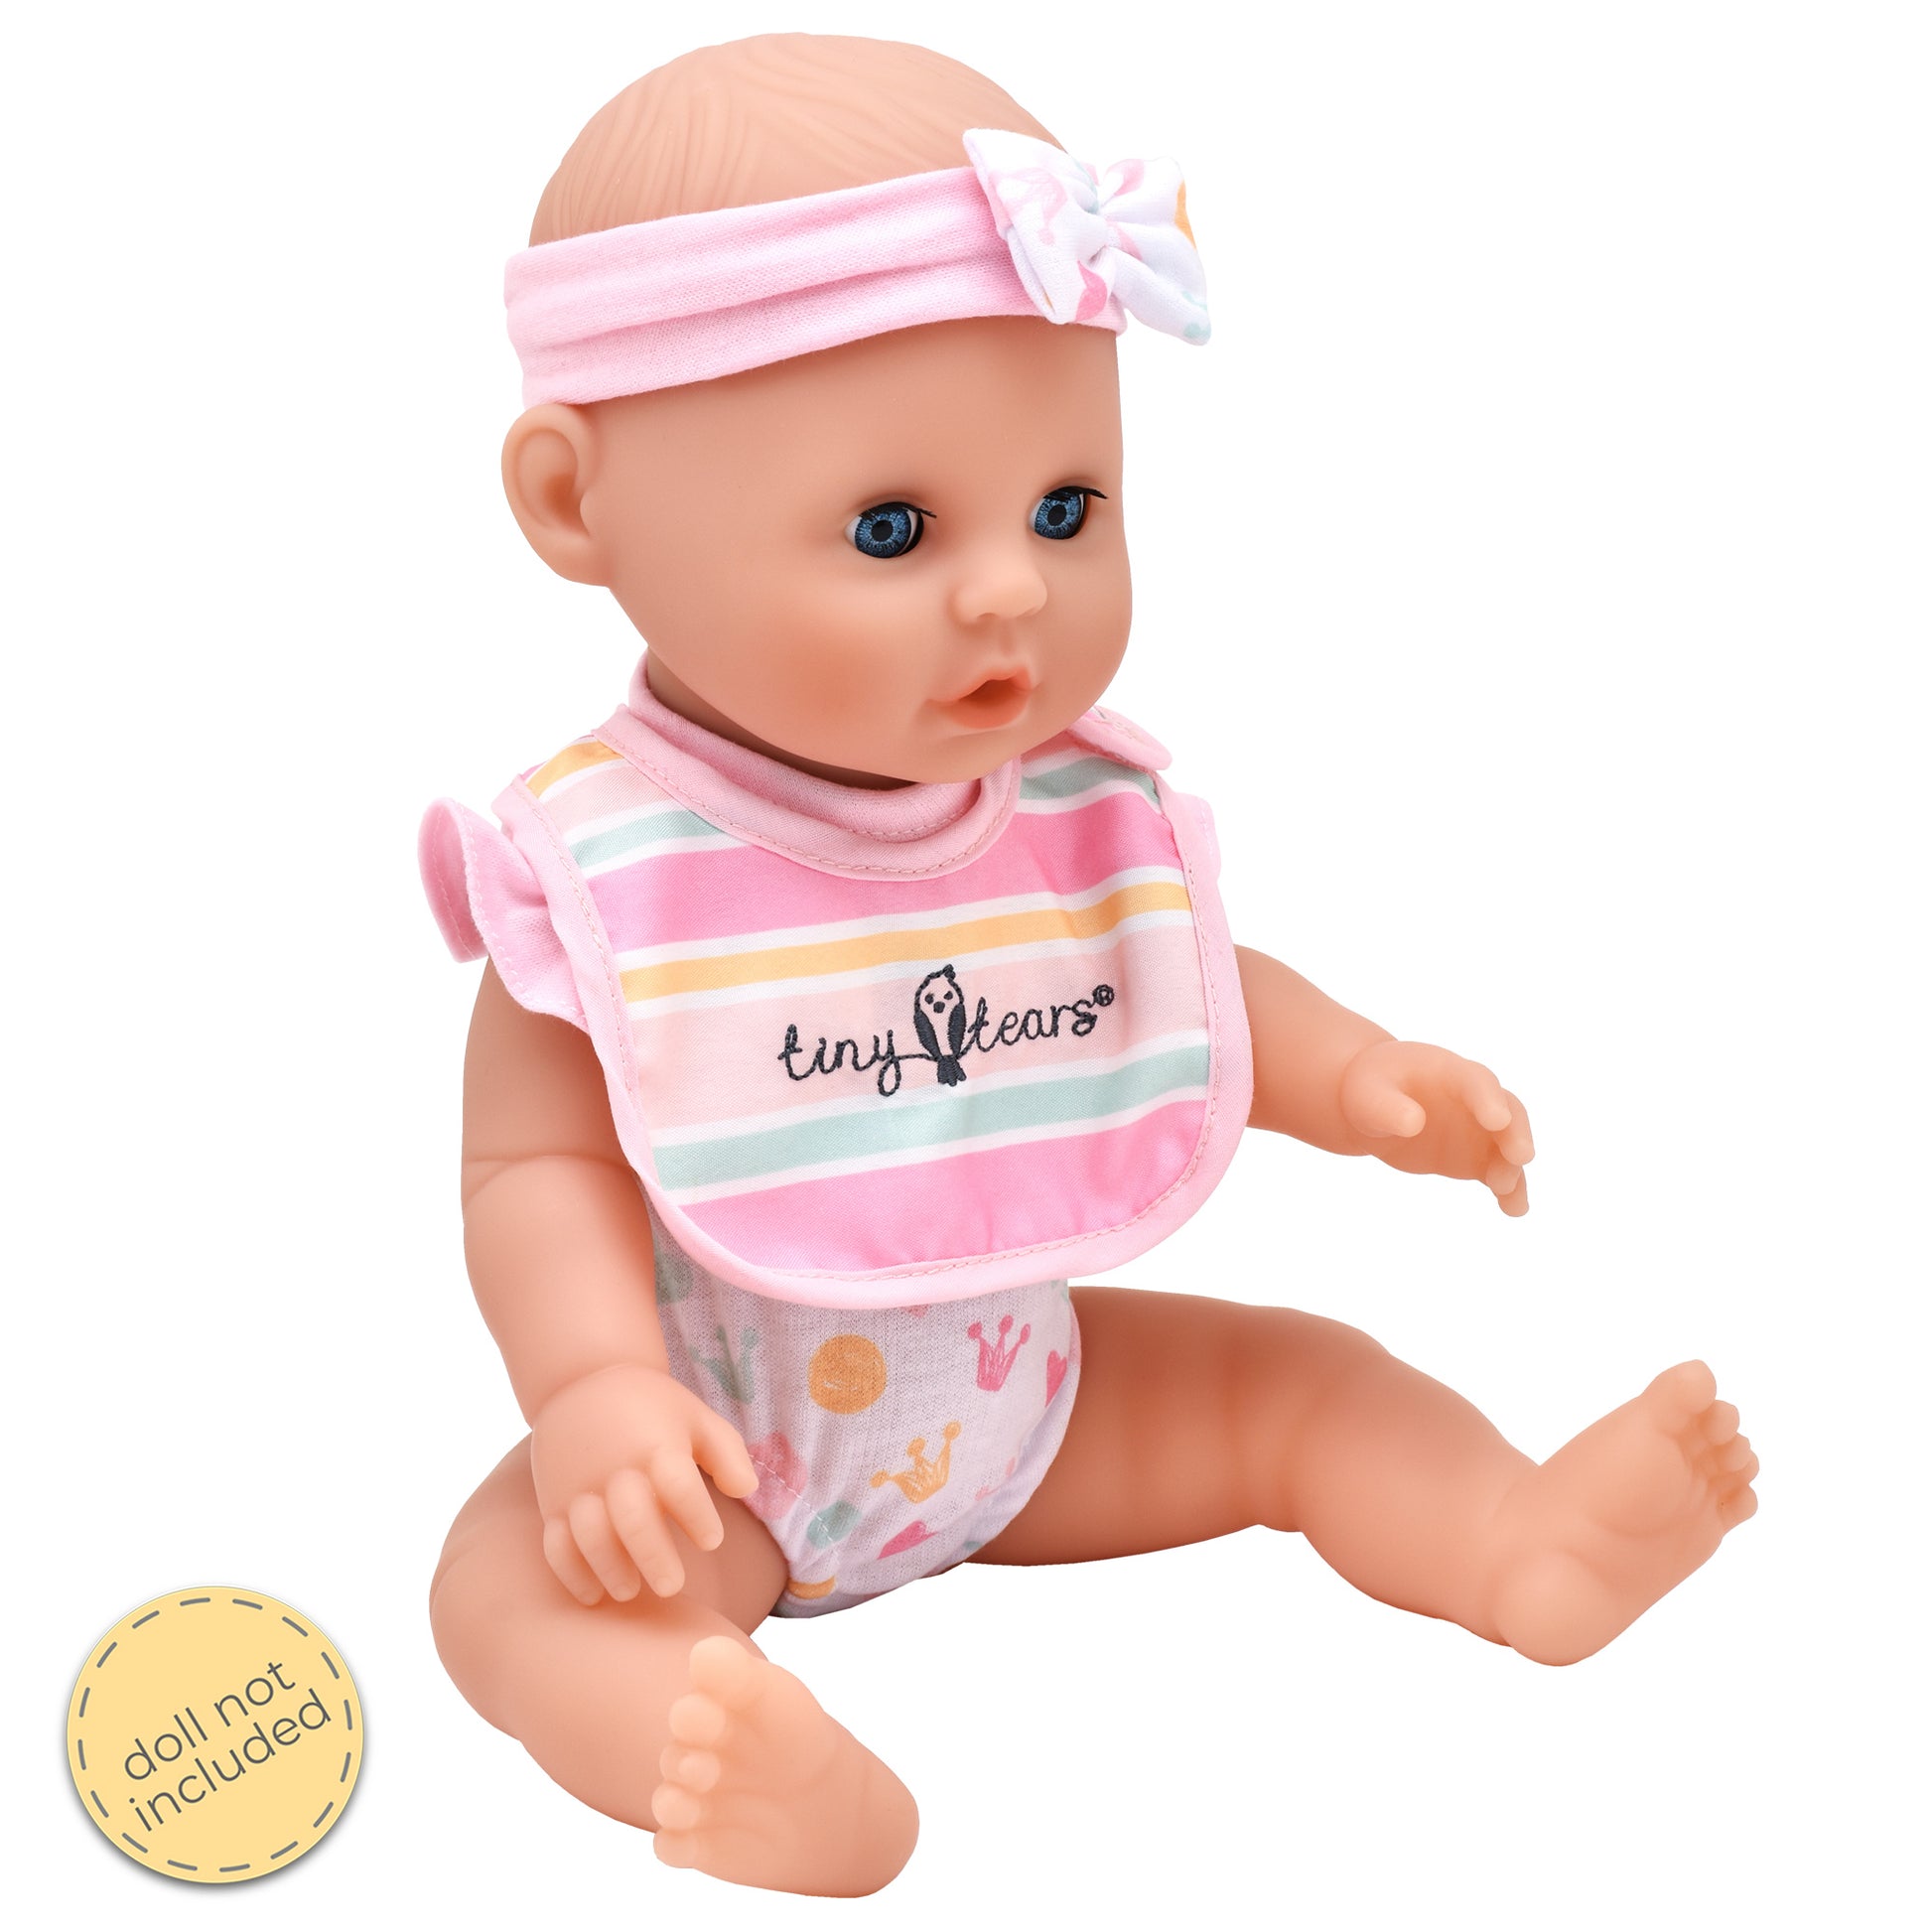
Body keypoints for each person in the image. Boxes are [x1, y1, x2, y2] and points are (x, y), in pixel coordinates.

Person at [421, 34, 1757, 1898]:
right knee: (505, 1596)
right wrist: (588, 1390)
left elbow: (1173, 977)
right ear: (579, 505)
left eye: (1065, 509)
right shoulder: (596, 875)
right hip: (714, 1446)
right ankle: (732, 1761)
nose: (1010, 590)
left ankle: (1514, 1537)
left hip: (1026, 1391)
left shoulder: (1055, 799)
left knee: (1301, 1384)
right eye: (893, 529)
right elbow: (532, 1166)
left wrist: (1354, 1074)